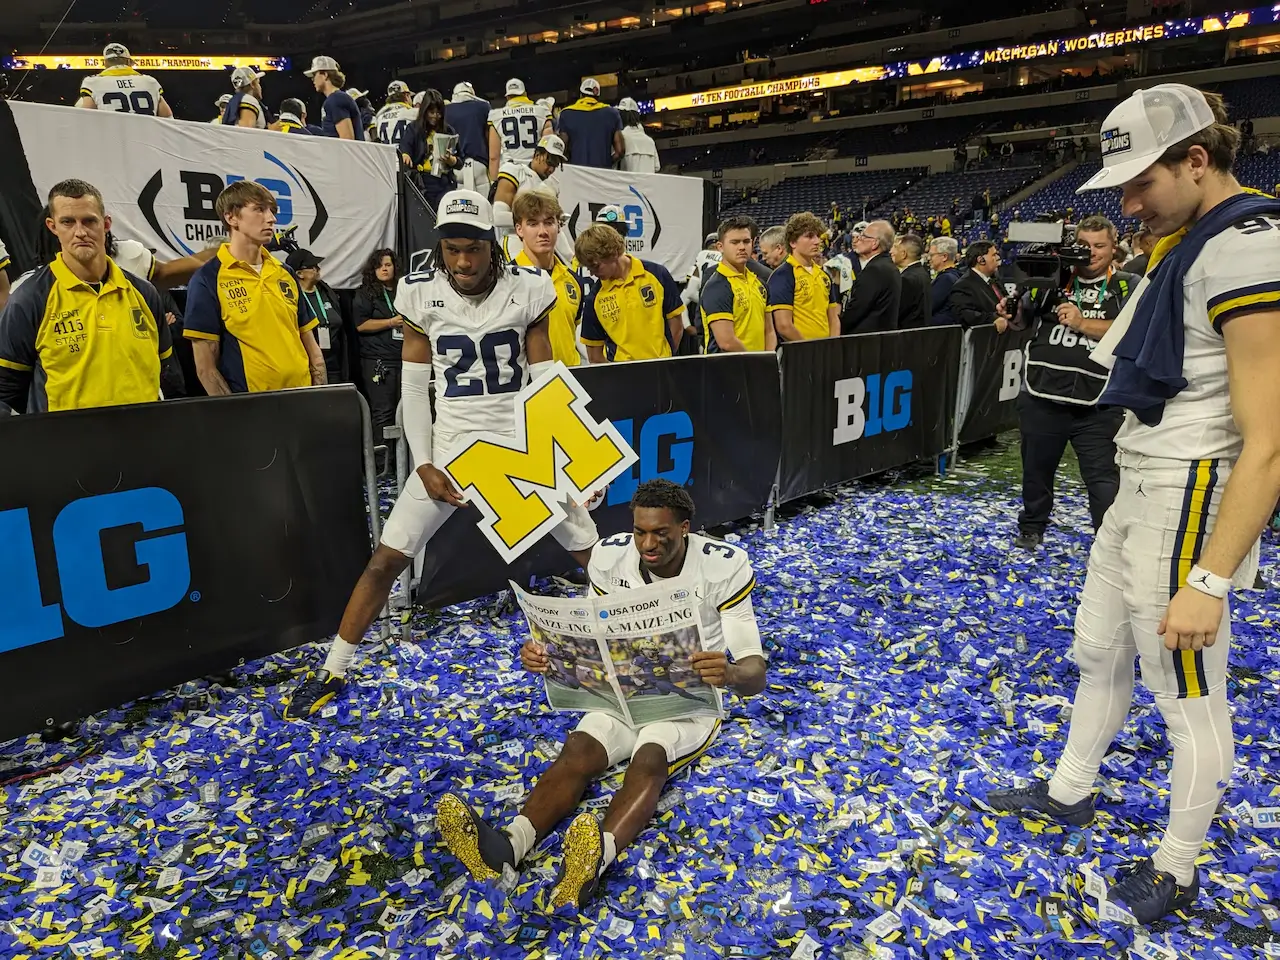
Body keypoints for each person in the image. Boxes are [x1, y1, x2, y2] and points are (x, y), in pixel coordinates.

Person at [985, 84, 1280, 924]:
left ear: (1197, 159)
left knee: (1188, 691)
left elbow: (1270, 440)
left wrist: (1213, 581)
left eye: (1141, 181)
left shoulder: (1250, 246)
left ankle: (1178, 869)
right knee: (1097, 649)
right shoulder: (1192, 238)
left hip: (1189, 486)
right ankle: (1072, 789)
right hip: (1144, 470)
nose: (1127, 201)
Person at [284, 190, 600, 719]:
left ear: (493, 246)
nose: (461, 262)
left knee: (591, 552)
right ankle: (334, 667)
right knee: (386, 558)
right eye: (451, 250)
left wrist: (569, 451)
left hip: (521, 448)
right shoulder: (418, 293)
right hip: (453, 449)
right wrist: (425, 462)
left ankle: (637, 641)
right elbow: (413, 387)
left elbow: (545, 374)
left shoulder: (529, 287)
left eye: (472, 250)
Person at [435, 480, 767, 909]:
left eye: (660, 533)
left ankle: (591, 864)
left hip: (685, 702)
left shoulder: (724, 565)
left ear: (685, 528)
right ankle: (507, 848)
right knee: (578, 749)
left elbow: (755, 672)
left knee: (651, 756)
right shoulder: (611, 558)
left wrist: (732, 672)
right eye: (639, 532)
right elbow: (590, 636)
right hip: (620, 692)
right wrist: (545, 654)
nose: (647, 543)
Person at [1008, 215, 1135, 550]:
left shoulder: (1127, 285)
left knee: (1103, 479)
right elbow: (1021, 322)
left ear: (1113, 247)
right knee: (1036, 471)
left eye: (1099, 246)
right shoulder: (1051, 281)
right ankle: (1032, 527)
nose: (1091, 253)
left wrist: (1082, 324)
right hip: (1041, 393)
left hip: (1099, 403)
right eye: (1084, 246)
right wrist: (1012, 312)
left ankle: (1107, 543)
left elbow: (1132, 332)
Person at [0, 179, 182, 413]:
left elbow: (167, 374)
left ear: (105, 224)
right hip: (69, 445)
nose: (80, 232)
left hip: (142, 440)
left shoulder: (144, 293)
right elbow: (6, 390)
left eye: (89, 221)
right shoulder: (29, 298)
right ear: (52, 226)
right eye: (67, 222)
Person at [183, 181, 326, 395]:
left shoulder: (284, 272)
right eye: (259, 209)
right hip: (253, 408)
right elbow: (206, 368)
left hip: (302, 401)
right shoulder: (208, 279)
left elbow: (311, 347)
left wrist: (320, 396)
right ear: (231, 217)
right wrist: (236, 416)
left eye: (272, 211)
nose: (271, 218)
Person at [575, 224, 685, 363]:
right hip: (623, 378)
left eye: (595, 266)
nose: (591, 273)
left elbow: (676, 324)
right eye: (588, 267)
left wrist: (665, 361)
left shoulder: (657, 274)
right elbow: (594, 356)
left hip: (661, 371)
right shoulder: (594, 299)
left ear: (614, 253)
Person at [511, 191, 584, 367]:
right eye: (533, 224)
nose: (542, 231)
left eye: (549, 222)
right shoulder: (507, 280)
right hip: (528, 385)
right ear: (519, 229)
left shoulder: (573, 280)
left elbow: (577, 337)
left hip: (571, 381)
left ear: (559, 226)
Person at [354, 248, 406, 463]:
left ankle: (403, 460)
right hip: (378, 361)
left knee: (404, 411)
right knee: (383, 412)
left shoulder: (403, 290)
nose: (384, 269)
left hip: (403, 358)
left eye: (388, 264)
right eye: (379, 265)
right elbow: (361, 325)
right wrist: (391, 322)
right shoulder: (365, 293)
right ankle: (382, 464)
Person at [701, 216, 775, 353]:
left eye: (746, 241)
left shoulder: (760, 284)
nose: (742, 247)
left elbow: (769, 330)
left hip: (759, 368)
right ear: (720, 247)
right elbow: (726, 342)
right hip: (726, 370)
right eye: (735, 242)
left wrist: (767, 360)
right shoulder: (717, 287)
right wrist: (757, 363)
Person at [766, 212, 840, 341]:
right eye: (810, 236)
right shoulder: (782, 276)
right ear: (793, 242)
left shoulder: (824, 275)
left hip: (825, 352)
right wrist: (808, 350)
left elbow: (833, 318)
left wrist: (831, 346)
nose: (817, 241)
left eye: (818, 236)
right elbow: (784, 326)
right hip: (799, 353)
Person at [490, 135, 566, 239]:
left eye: (556, 164)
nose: (551, 169)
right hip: (515, 237)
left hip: (543, 239)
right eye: (550, 162)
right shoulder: (515, 172)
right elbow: (498, 217)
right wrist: (537, 222)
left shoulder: (553, 185)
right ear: (537, 155)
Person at [289, 249, 345, 384]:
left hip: (334, 365)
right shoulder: (293, 299)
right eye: (312, 266)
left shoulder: (327, 293)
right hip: (308, 366)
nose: (318, 269)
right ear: (299, 274)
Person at [76, 43, 172, 117]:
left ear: (105, 63)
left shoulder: (92, 83)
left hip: (114, 139)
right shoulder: (150, 81)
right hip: (147, 138)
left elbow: (86, 117)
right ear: (129, 61)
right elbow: (167, 116)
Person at [399, 89, 459, 207]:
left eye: (438, 113)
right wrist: (405, 155)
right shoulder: (414, 129)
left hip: (444, 182)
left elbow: (460, 160)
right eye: (431, 112)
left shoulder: (448, 130)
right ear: (424, 111)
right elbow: (405, 148)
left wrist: (451, 160)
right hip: (422, 182)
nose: (435, 116)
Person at [487, 78, 553, 182]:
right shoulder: (542, 111)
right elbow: (548, 149)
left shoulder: (496, 115)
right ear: (525, 93)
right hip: (535, 171)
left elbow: (493, 157)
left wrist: (494, 183)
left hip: (509, 172)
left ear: (508, 96)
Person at [842, 220, 900, 334]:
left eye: (864, 236)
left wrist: (838, 325)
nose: (859, 239)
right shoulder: (888, 266)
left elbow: (857, 309)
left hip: (866, 341)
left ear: (875, 243)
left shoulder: (875, 269)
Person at [557, 78, 623, 169]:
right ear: (598, 96)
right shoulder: (612, 113)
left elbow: (561, 148)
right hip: (602, 173)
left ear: (581, 94)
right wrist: (607, 162)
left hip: (577, 172)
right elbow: (620, 151)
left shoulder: (566, 114)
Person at [947, 241, 1012, 329]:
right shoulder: (963, 285)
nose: (998, 258)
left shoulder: (994, 280)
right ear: (981, 260)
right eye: (994, 255)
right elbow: (965, 315)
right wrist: (993, 319)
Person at [445, 81, 492, 195]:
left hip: (455, 165)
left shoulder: (445, 110)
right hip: (479, 165)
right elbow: (489, 137)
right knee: (484, 208)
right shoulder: (483, 106)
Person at [305, 56, 365, 140]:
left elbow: (347, 139)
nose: (312, 79)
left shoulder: (336, 99)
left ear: (325, 75)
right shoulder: (336, 98)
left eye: (314, 75)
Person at [892, 233, 932, 329]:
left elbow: (898, 312)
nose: (891, 251)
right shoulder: (922, 273)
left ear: (903, 254)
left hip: (907, 337)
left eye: (895, 248)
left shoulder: (907, 279)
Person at [617, 97, 659, 174]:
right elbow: (657, 167)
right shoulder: (650, 141)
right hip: (647, 185)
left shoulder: (620, 138)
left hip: (627, 185)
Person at [927, 236, 961, 325]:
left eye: (932, 255)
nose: (929, 258)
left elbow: (928, 307)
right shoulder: (956, 275)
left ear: (944, 256)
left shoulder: (946, 279)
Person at [373, 80, 417, 147]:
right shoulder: (414, 113)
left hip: (387, 155)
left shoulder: (379, 115)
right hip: (407, 155)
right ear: (407, 95)